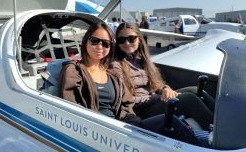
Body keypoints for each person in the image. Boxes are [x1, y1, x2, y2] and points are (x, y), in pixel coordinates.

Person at [60, 22, 200, 145]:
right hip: (100, 131)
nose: (100, 46)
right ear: (85, 42)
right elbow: (71, 108)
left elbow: (126, 106)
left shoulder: (110, 74)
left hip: (124, 127)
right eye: (94, 41)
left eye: (106, 43)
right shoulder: (74, 70)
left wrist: (134, 127)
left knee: (174, 120)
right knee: (174, 117)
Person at [111, 22, 214, 130]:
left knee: (195, 90)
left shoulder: (141, 59)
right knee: (189, 100)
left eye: (131, 38)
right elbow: (127, 99)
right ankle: (219, 132)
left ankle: (222, 119)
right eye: (121, 40)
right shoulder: (116, 65)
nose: (127, 43)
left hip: (153, 101)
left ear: (139, 39)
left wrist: (165, 89)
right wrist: (157, 98)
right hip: (139, 110)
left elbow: (156, 83)